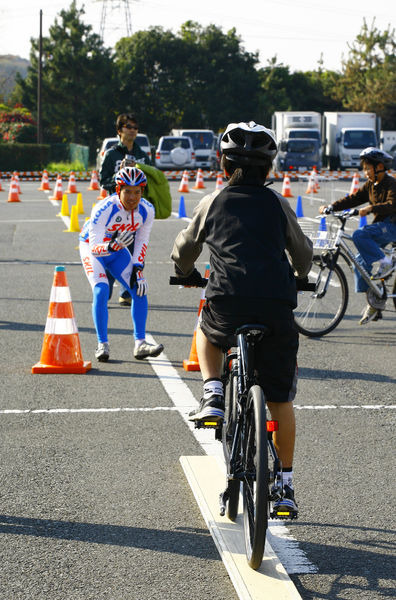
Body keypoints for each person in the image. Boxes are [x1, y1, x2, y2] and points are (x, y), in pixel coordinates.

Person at [171, 121, 313, 516]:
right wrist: (301, 277)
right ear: (269, 169)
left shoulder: (213, 200)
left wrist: (184, 273)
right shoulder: (278, 204)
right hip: (275, 307)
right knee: (280, 398)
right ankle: (284, 484)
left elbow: (184, 248)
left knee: (206, 328)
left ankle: (214, 391)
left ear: (221, 162)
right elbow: (302, 253)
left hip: (228, 302)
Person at [80, 166, 164, 362]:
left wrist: (138, 267)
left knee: (139, 288)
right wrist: (113, 244)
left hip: (117, 249)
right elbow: (94, 248)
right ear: (118, 190)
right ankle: (102, 344)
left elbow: (142, 240)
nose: (133, 197)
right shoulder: (103, 209)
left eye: (137, 192)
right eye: (127, 191)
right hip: (94, 249)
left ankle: (140, 344)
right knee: (101, 290)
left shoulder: (147, 210)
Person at [319, 147, 396, 325]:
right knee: (359, 263)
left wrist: (371, 208)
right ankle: (375, 299)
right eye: (364, 168)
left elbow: (392, 205)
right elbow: (353, 199)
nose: (365, 172)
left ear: (379, 168)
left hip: (392, 227)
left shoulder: (392, 184)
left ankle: (385, 263)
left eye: (368, 168)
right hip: (381, 228)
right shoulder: (370, 185)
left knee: (360, 234)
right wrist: (331, 207)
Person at [100, 113, 152, 307]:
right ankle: (104, 290)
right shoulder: (111, 153)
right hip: (113, 212)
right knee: (111, 250)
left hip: (135, 211)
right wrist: (119, 175)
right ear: (119, 130)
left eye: (135, 127)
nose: (132, 130)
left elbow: (150, 180)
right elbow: (103, 181)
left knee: (133, 248)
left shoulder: (142, 154)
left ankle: (127, 291)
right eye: (128, 126)